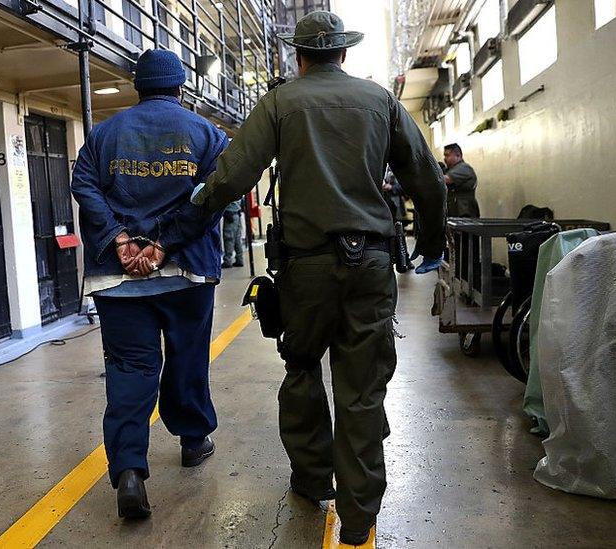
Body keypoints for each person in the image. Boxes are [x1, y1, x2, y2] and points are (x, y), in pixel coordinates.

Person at [190, 11, 446, 545]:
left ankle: (312, 480)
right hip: (372, 265)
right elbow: (426, 174)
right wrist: (434, 239)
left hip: (305, 268)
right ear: (344, 54)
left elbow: (236, 174)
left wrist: (199, 207)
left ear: (299, 57)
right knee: (362, 388)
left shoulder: (280, 102)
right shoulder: (380, 101)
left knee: (303, 368)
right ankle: (358, 517)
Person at [70, 49, 228, 519]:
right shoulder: (206, 134)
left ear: (136, 85)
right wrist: (164, 244)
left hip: (119, 281)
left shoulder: (103, 135)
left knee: (129, 369)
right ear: (181, 85)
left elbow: (85, 186)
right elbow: (216, 193)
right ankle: (193, 440)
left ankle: (129, 471)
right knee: (187, 357)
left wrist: (120, 240)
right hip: (187, 275)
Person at [443, 143, 480, 218]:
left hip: (464, 213)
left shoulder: (464, 168)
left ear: (458, 155)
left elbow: (446, 179)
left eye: (447, 155)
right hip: (455, 212)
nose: (445, 158)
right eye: (444, 156)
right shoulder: (451, 169)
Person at [221, 197, 245, 267]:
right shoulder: (238, 187)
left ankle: (227, 261)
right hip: (237, 213)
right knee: (237, 239)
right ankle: (239, 259)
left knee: (229, 238)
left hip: (230, 214)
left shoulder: (228, 187)